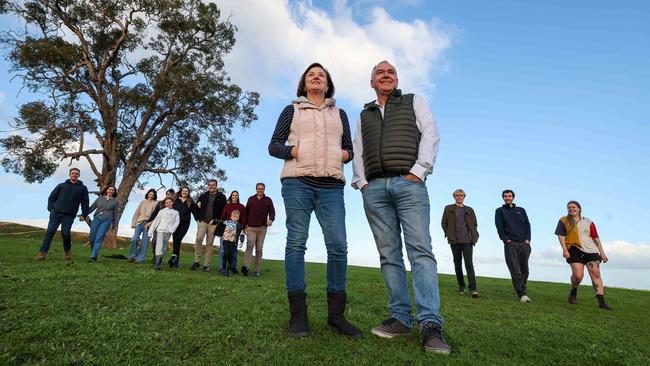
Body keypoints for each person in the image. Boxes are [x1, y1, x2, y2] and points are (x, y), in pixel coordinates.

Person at [351, 61, 448, 354]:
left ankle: (430, 324)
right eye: (380, 73)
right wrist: (362, 182)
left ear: (396, 79)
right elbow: (358, 149)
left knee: (420, 251)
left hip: (409, 185)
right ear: (372, 82)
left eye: (390, 72)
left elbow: (430, 134)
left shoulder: (413, 101)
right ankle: (400, 318)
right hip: (375, 189)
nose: (385, 75)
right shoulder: (363, 114)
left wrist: (419, 171)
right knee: (389, 255)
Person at [269, 62, 362, 339]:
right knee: (296, 244)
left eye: (321, 75)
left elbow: (350, 148)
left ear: (328, 83)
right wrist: (295, 150)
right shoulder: (292, 110)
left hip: (332, 186)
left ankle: (336, 316)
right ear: (304, 83)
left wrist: (343, 156)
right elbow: (274, 145)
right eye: (311, 74)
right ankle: (298, 316)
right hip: (297, 182)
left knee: (338, 246)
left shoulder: (340, 113)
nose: (316, 77)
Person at [555, 201, 612, 310]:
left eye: (574, 207)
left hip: (591, 250)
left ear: (579, 208)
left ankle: (601, 301)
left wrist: (602, 253)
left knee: (596, 274)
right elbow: (561, 235)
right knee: (578, 275)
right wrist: (564, 250)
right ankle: (574, 290)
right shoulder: (564, 220)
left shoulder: (588, 222)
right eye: (569, 208)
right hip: (574, 249)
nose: (571, 209)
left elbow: (595, 238)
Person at [35, 168, 89, 261]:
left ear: (78, 176)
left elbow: (85, 202)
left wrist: (83, 215)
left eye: (76, 174)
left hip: (69, 215)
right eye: (73, 173)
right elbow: (52, 197)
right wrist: (50, 208)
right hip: (56, 213)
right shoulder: (61, 185)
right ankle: (42, 253)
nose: (74, 175)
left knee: (65, 233)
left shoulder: (82, 188)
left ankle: (67, 253)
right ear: (69, 174)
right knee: (50, 232)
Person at [494, 189, 532, 303]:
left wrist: (527, 240)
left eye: (509, 196)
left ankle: (521, 287)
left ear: (513, 197)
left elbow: (527, 225)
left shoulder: (521, 210)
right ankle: (522, 294)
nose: (507, 198)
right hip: (511, 244)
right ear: (503, 198)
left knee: (525, 269)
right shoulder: (500, 211)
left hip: (524, 244)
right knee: (515, 269)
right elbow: (499, 227)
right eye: (505, 196)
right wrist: (506, 240)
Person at [441, 189, 480, 298]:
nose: (459, 197)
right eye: (457, 195)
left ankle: (473, 289)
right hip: (454, 241)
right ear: (454, 197)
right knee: (457, 264)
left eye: (461, 195)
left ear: (464, 197)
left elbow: (474, 224)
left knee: (469, 265)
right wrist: (449, 234)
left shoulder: (469, 210)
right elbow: (444, 223)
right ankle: (461, 287)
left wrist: (474, 236)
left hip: (467, 241)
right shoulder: (448, 208)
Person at [191, 179, 227, 272]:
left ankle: (206, 264)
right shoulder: (203, 195)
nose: (211, 186)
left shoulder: (221, 197)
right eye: (210, 185)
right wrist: (198, 219)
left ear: (216, 186)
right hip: (203, 221)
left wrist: (219, 221)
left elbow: (224, 211)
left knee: (209, 243)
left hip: (214, 223)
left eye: (213, 185)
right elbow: (195, 206)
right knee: (198, 239)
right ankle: (196, 261)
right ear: (208, 186)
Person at [242, 183, 275, 277]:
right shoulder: (251, 199)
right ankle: (246, 267)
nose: (260, 190)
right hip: (251, 227)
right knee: (250, 245)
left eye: (262, 189)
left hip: (262, 228)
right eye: (259, 188)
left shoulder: (268, 200)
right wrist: (245, 225)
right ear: (256, 189)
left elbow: (272, 212)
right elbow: (246, 212)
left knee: (259, 249)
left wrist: (271, 219)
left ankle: (257, 270)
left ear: (264, 190)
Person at [87, 185, 119, 262]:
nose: (111, 191)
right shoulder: (99, 199)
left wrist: (114, 225)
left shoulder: (115, 201)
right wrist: (83, 214)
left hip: (107, 220)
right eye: (109, 189)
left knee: (99, 238)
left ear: (114, 192)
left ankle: (93, 257)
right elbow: (92, 208)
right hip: (97, 219)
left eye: (113, 190)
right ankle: (93, 253)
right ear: (106, 190)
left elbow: (116, 213)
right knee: (92, 238)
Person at [219, 190, 247, 274]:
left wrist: (243, 228)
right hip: (227, 231)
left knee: (233, 251)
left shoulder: (241, 207)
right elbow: (222, 217)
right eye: (233, 195)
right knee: (224, 250)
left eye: (236, 195)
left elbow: (244, 219)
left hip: (236, 231)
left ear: (238, 197)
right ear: (231, 196)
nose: (234, 197)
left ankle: (232, 268)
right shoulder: (227, 206)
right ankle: (222, 267)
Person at [128, 188, 158, 263]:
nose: (151, 196)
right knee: (134, 239)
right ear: (147, 194)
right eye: (150, 194)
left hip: (149, 224)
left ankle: (140, 259)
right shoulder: (143, 202)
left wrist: (151, 224)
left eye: (152, 195)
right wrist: (133, 223)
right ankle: (132, 256)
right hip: (140, 222)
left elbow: (156, 216)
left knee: (145, 242)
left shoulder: (156, 203)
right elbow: (137, 213)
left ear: (154, 196)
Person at [149, 197, 180, 270]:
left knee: (164, 248)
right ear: (165, 204)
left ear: (172, 202)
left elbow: (176, 222)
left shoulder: (176, 212)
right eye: (167, 202)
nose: (169, 203)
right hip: (160, 230)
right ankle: (157, 263)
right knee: (159, 246)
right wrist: (150, 232)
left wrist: (172, 229)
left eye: (170, 202)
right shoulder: (162, 211)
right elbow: (156, 221)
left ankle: (159, 259)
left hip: (168, 232)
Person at [169, 187, 195, 268]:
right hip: (175, 223)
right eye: (183, 191)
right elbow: (170, 209)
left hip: (185, 224)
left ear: (188, 193)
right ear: (181, 191)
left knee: (178, 239)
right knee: (176, 240)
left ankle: (174, 257)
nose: (185, 192)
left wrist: (198, 220)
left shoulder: (190, 201)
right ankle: (175, 260)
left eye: (186, 191)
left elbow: (195, 211)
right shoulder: (175, 200)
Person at [213, 210, 244, 276]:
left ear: (238, 218)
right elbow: (220, 221)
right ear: (231, 217)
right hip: (226, 240)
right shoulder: (227, 222)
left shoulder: (239, 225)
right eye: (234, 216)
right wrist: (214, 220)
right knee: (226, 253)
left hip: (233, 242)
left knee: (231, 256)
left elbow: (241, 233)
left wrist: (241, 240)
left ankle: (229, 270)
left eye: (237, 217)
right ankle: (223, 269)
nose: (235, 218)